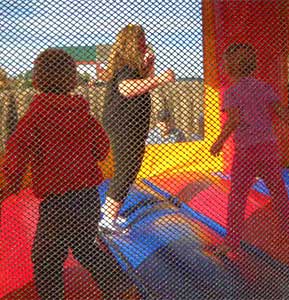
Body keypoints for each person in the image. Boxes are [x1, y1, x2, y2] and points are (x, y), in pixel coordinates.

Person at [2, 49, 137, 300]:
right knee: (86, 247)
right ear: (73, 80)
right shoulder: (82, 113)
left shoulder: (36, 115)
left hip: (58, 204)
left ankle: (52, 296)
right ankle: (120, 288)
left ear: (36, 81)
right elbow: (101, 148)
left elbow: (18, 150)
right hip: (87, 199)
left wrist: (10, 182)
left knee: (46, 257)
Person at [210, 43, 289, 255]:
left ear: (229, 69)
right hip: (268, 149)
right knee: (278, 191)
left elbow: (233, 120)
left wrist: (219, 141)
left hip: (246, 153)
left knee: (237, 196)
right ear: (254, 66)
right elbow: (283, 112)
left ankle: (231, 241)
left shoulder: (231, 92)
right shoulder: (264, 87)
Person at [99, 24, 175, 232]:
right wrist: (159, 79)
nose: (144, 44)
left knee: (129, 168)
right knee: (127, 169)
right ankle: (107, 221)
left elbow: (138, 82)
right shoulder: (125, 65)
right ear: (132, 44)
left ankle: (109, 211)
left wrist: (149, 67)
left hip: (130, 125)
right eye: (141, 41)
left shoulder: (130, 66)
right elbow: (126, 88)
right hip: (124, 125)